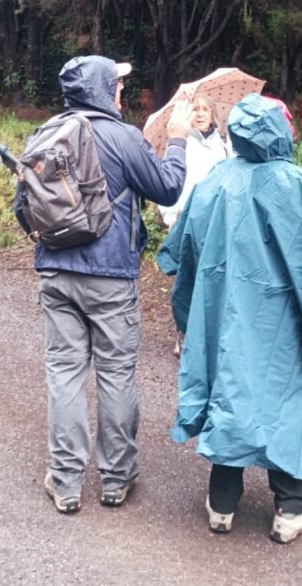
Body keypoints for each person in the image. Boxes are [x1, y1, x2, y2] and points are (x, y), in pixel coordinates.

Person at [156, 93, 302, 544]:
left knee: (230, 387)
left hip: (225, 316)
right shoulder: (300, 186)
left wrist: (193, 310)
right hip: (287, 320)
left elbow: (183, 254)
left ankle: (222, 505)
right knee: (290, 395)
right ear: (282, 132)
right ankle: (289, 508)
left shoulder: (214, 182)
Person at [15, 55, 192, 514]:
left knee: (65, 373)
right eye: (116, 85)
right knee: (115, 373)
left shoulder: (44, 133)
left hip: (55, 272)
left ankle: (67, 482)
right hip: (110, 277)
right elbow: (169, 189)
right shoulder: (121, 136)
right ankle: (116, 479)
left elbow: (23, 208)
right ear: (101, 90)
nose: (121, 92)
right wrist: (177, 140)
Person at [158, 94, 231, 229]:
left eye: (205, 109)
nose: (200, 114)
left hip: (217, 217)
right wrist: (170, 214)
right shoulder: (179, 143)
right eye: (195, 109)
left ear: (212, 113)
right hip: (185, 218)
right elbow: (167, 179)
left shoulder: (224, 144)